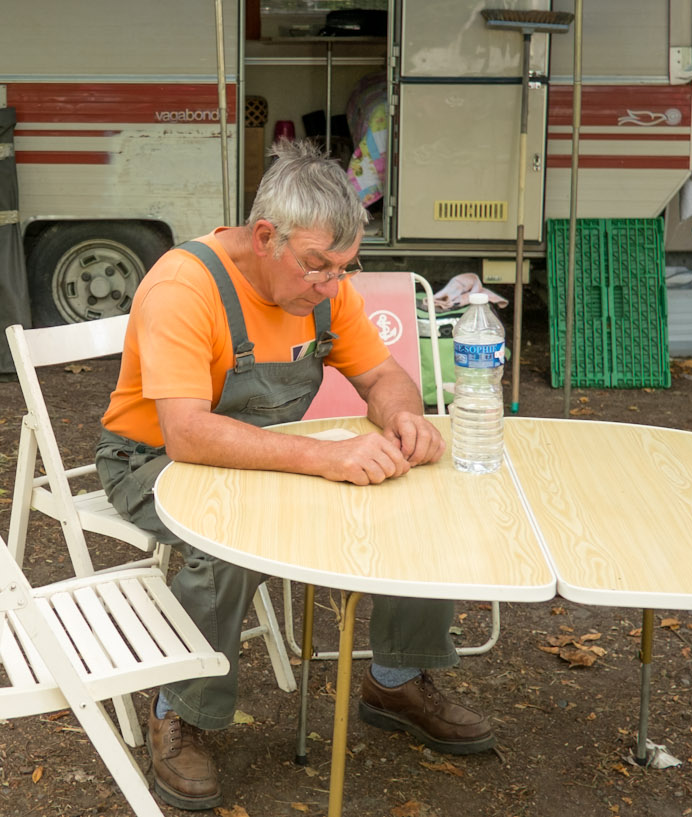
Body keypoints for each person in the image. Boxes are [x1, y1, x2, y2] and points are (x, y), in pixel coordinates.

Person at [94, 139, 494, 811]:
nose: (330, 285)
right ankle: (178, 708)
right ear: (263, 236)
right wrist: (326, 456)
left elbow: (385, 375)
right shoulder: (184, 285)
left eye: (344, 268)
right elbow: (187, 435)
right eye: (316, 267)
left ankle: (396, 677)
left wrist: (404, 418)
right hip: (151, 462)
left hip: (265, 454)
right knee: (225, 532)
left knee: (413, 491)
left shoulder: (324, 286)